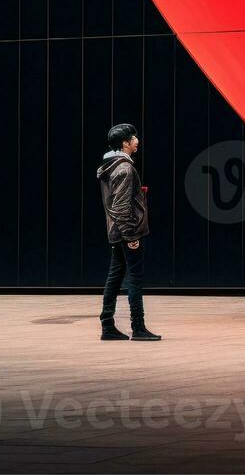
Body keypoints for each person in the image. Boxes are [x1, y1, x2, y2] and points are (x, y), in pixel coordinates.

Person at [96, 123, 160, 341]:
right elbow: (122, 206)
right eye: (133, 137)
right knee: (135, 278)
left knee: (114, 277)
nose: (137, 141)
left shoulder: (111, 166)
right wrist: (131, 236)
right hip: (126, 232)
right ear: (125, 143)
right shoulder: (125, 168)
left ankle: (107, 325)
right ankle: (138, 327)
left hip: (116, 231)